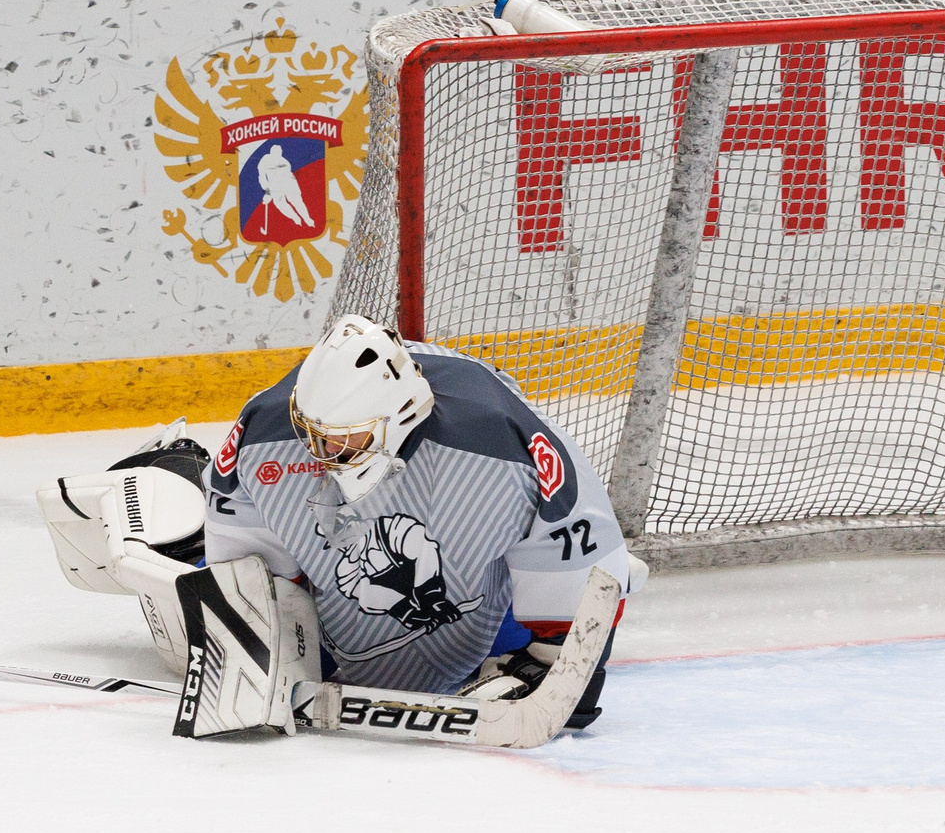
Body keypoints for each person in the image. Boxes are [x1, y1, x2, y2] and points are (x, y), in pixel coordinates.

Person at [38, 314, 630, 742]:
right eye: (313, 434)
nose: (319, 453)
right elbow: (242, 572)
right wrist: (254, 641)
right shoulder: (266, 432)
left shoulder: (505, 442)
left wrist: (561, 663)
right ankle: (168, 473)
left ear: (398, 417)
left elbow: (585, 553)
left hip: (476, 608)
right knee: (187, 617)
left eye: (342, 441)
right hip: (334, 597)